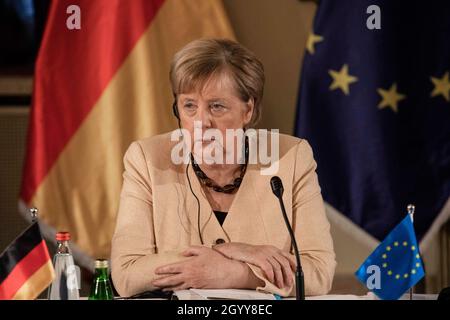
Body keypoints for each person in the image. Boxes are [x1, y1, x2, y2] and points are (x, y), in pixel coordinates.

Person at [111, 38, 336, 298]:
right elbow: (126, 273)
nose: (201, 122)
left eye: (216, 106)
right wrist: (234, 251)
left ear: (248, 110)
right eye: (189, 106)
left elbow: (319, 272)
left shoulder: (291, 157)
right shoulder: (147, 159)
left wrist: (236, 273)